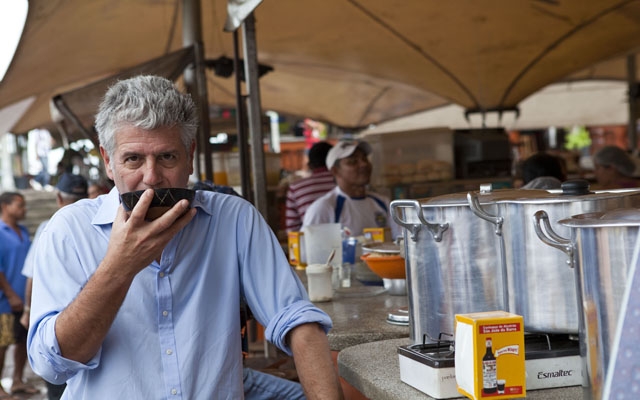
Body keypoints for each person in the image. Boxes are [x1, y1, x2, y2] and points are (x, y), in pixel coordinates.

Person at [27, 75, 343, 399]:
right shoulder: (68, 231)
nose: (151, 178)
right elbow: (52, 365)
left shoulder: (233, 220)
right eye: (133, 158)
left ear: (189, 156)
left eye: (167, 157)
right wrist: (119, 266)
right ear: (108, 161)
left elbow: (296, 320)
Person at [20, 173, 88, 400]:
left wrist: (28, 310)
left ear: (59, 197)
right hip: (96, 330)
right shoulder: (111, 223)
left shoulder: (49, 227)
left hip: (61, 330)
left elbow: (31, 276)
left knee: (58, 379)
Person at [302, 139, 400, 238]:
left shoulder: (383, 203)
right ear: (335, 171)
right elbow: (307, 250)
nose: (364, 164)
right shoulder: (323, 208)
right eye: (353, 161)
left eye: (365, 159)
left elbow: (400, 240)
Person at [0, 192, 38, 398]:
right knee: (3, 343)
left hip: (24, 299)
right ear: (5, 206)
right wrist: (11, 294)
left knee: (23, 341)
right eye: (19, 206)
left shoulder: (22, 230)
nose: (24, 210)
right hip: (6, 300)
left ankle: (17, 380)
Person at [285, 141, 335, 232]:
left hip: (311, 243)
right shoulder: (346, 184)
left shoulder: (296, 188)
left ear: (310, 165)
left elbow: (292, 229)